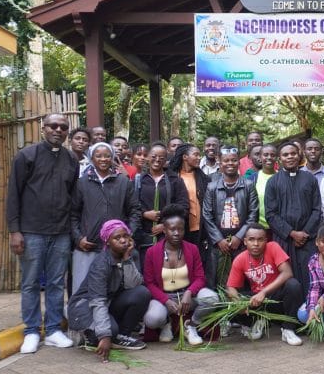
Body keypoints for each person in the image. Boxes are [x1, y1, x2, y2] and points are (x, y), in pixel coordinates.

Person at [7, 113, 78, 353]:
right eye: (53, 126)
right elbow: (13, 195)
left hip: (61, 232)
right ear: (43, 128)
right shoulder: (26, 156)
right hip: (31, 231)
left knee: (57, 283)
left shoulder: (71, 159)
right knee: (30, 283)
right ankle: (31, 331)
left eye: (63, 127)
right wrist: (15, 231)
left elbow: (72, 197)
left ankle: (54, 330)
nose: (58, 130)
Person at [67, 220, 150, 360]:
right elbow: (97, 301)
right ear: (107, 242)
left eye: (126, 236)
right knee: (109, 331)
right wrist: (105, 336)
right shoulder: (101, 264)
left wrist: (127, 259)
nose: (123, 240)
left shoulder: (130, 254)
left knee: (142, 293)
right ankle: (82, 333)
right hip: (85, 306)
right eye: (117, 238)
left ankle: (120, 337)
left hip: (109, 302)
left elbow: (133, 284)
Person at [70, 142, 141, 294]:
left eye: (107, 156)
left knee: (114, 290)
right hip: (87, 246)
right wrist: (78, 238)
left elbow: (135, 211)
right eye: (99, 156)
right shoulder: (81, 183)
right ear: (91, 158)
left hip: (116, 249)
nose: (103, 159)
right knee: (82, 291)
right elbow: (73, 214)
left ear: (112, 158)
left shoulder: (123, 181)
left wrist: (128, 235)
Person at [143, 204, 218, 345]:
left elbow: (200, 277)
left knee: (212, 298)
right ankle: (166, 323)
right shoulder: (152, 252)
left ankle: (191, 325)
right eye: (172, 229)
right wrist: (165, 300)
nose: (176, 233)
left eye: (180, 229)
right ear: (164, 230)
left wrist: (189, 293)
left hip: (188, 296)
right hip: (164, 297)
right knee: (152, 319)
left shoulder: (192, 249)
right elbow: (150, 283)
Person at [226, 224, 303, 345]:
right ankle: (256, 321)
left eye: (260, 239)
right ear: (245, 241)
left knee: (293, 285)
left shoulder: (273, 247)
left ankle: (288, 329)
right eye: (251, 239)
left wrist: (263, 292)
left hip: (276, 297)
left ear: (266, 241)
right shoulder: (240, 259)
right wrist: (238, 303)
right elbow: (230, 287)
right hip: (257, 301)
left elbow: (287, 272)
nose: (256, 243)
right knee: (232, 298)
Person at [265, 142, 322, 297]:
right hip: (284, 240)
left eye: (293, 153)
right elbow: (270, 214)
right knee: (287, 280)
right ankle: (289, 316)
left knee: (310, 277)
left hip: (307, 240)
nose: (290, 157)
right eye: (285, 155)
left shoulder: (310, 179)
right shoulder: (273, 182)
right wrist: (292, 233)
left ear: (299, 155)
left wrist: (304, 233)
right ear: (279, 159)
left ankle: (310, 312)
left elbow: (317, 209)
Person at [202, 145, 259, 290]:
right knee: (218, 279)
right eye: (226, 161)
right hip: (218, 242)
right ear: (220, 163)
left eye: (233, 160)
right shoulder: (212, 187)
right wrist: (218, 239)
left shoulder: (248, 185)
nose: (230, 163)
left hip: (241, 242)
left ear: (239, 163)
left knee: (241, 280)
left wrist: (240, 237)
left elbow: (253, 213)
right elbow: (207, 215)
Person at [135, 143, 189, 264]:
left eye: (162, 157)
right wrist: (144, 214)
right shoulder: (139, 180)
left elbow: (184, 207)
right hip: (144, 237)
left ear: (166, 160)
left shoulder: (175, 180)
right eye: (154, 156)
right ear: (148, 157)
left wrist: (165, 224)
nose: (157, 160)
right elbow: (131, 206)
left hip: (168, 238)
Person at [168, 143, 210, 248]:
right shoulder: (172, 177)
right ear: (185, 157)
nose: (199, 158)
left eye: (199, 155)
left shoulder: (203, 178)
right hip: (179, 226)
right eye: (195, 154)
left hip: (198, 227)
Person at [248, 144, 277, 231]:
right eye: (265, 155)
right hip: (258, 228)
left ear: (277, 157)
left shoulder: (283, 177)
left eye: (272, 155)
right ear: (260, 157)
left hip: (280, 229)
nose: (269, 157)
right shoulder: (252, 179)